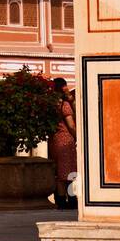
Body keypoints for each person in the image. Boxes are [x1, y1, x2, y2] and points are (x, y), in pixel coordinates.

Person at [50, 77, 77, 210]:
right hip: (66, 140)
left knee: (60, 174)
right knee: (71, 173)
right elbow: (71, 125)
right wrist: (78, 136)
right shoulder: (64, 105)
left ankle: (60, 201)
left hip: (55, 141)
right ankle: (72, 200)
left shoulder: (52, 105)